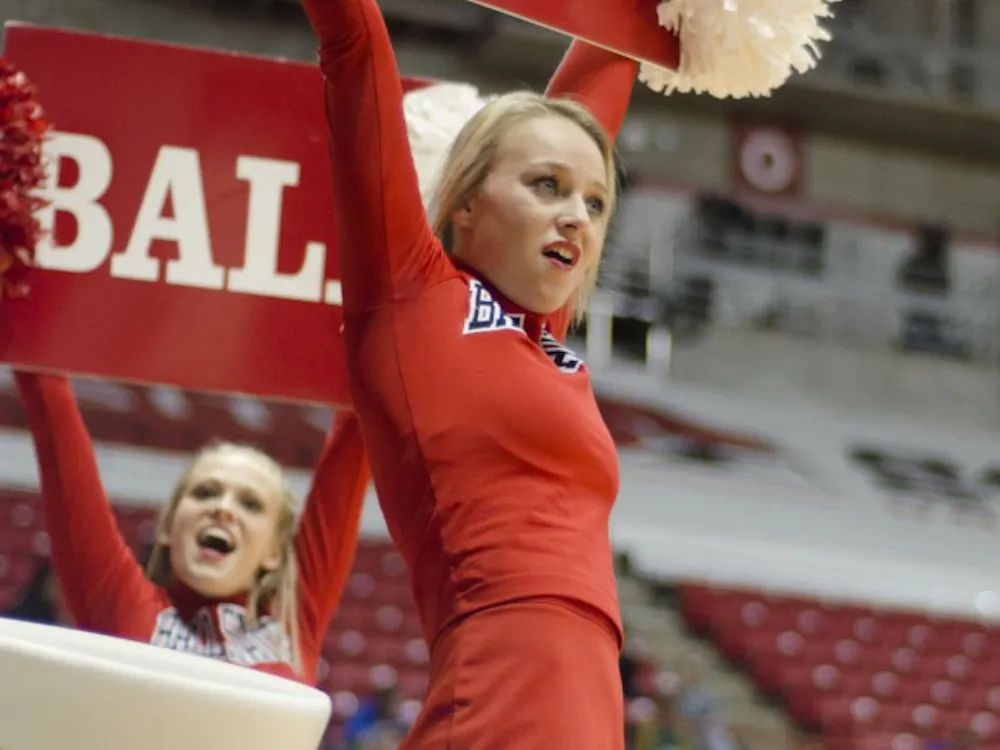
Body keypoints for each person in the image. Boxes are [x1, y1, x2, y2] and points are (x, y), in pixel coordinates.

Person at [298, 0, 637, 744]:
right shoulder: (411, 299)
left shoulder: (539, 335)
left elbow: (615, 50)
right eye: (546, 185)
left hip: (587, 713)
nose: (578, 215)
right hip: (499, 702)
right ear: (468, 204)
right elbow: (356, 44)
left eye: (596, 201)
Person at [14, 370, 369, 684]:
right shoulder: (121, 605)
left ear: (275, 552)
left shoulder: (295, 619)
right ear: (167, 528)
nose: (222, 509)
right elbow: (51, 411)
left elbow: (360, 424)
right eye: (205, 492)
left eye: (250, 504)